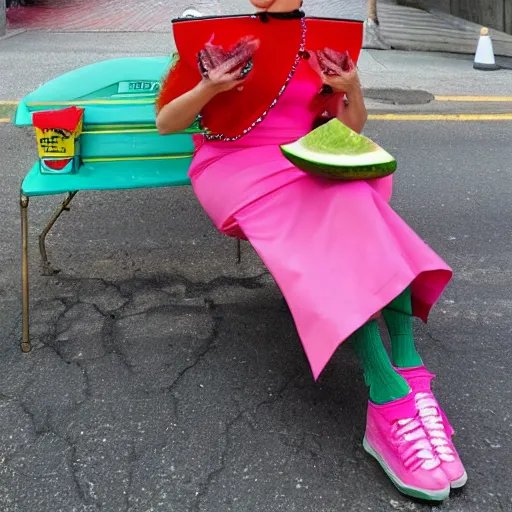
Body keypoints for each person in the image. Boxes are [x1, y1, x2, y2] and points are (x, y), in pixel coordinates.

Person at [156, 0, 467, 501]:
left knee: (356, 199)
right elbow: (167, 124)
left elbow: (352, 126)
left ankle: (408, 376)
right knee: (350, 210)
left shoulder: (321, 37)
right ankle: (389, 392)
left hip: (309, 156)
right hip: (233, 165)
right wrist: (208, 88)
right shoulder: (213, 36)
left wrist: (352, 88)